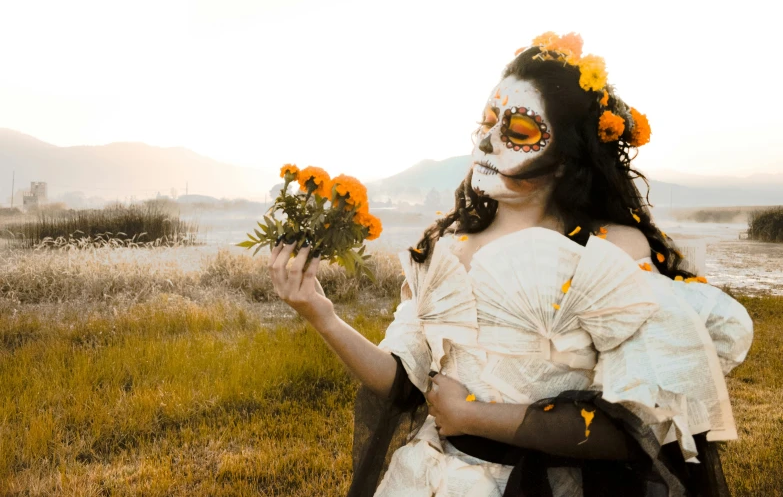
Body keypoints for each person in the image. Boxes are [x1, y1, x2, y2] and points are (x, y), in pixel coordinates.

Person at [267, 32, 753, 496]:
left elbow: (641, 429)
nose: (485, 142)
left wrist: (477, 416)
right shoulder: (445, 246)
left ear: (566, 157)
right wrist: (321, 316)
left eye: (518, 129)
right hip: (427, 478)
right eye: (487, 121)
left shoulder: (609, 252)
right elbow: (403, 383)